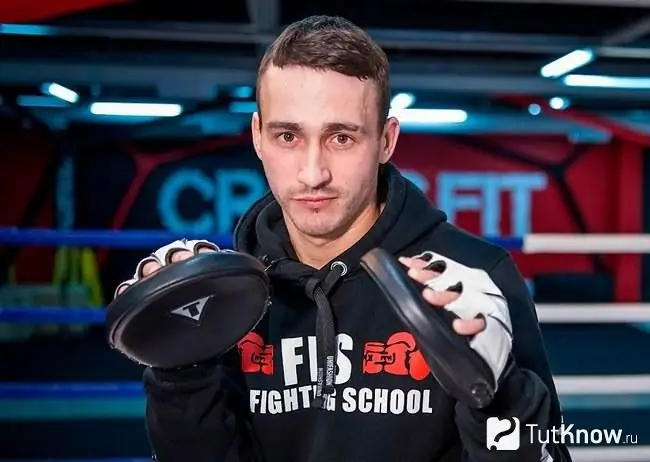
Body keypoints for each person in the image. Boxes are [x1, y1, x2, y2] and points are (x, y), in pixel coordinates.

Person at [115, 15, 572, 462]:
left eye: (341, 138)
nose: (313, 173)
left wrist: (501, 396)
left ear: (386, 140)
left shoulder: (470, 279)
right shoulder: (226, 297)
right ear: (258, 137)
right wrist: (182, 373)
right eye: (288, 136)